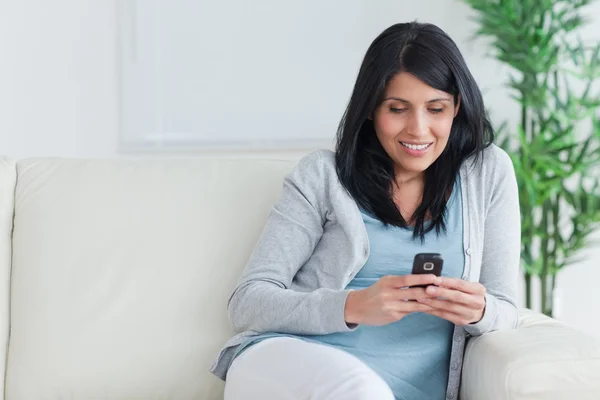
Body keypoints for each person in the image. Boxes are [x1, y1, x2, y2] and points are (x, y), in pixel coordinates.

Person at [210, 21, 520, 400]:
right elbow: (248, 302)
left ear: (456, 107)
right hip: (289, 367)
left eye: (435, 108)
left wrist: (479, 310)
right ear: (371, 108)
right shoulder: (322, 175)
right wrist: (353, 306)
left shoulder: (488, 173)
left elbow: (505, 310)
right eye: (397, 108)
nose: (418, 130)